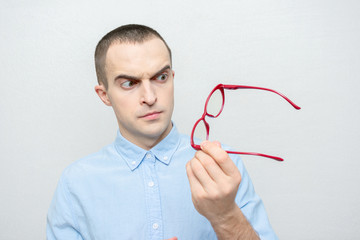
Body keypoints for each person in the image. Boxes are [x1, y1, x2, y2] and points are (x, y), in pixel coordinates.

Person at [47, 24, 278, 240]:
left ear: (172, 79)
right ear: (104, 95)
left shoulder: (223, 167)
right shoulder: (75, 183)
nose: (150, 97)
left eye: (161, 77)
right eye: (129, 83)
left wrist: (226, 216)